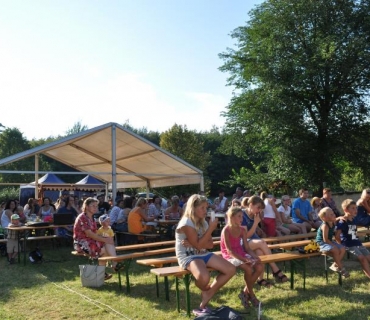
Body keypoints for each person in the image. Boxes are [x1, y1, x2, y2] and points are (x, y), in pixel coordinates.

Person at [175, 194, 236, 316]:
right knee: (204, 277)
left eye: (206, 207)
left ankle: (208, 292)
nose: (205, 211)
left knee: (231, 269)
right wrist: (209, 232)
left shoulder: (203, 222)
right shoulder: (187, 222)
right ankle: (204, 289)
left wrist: (196, 242)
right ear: (193, 208)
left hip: (203, 253)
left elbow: (210, 245)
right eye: (202, 208)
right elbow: (199, 245)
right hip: (188, 256)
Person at [221, 206, 263, 310]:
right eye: (239, 216)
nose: (241, 219)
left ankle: (245, 293)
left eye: (242, 216)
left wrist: (255, 257)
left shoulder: (242, 230)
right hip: (229, 255)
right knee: (248, 269)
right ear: (232, 217)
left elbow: (247, 248)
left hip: (240, 252)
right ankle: (252, 295)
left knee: (260, 266)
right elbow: (229, 251)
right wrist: (245, 260)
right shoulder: (226, 230)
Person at [241, 195, 289, 286]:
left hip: (253, 241)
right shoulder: (242, 215)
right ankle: (275, 269)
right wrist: (256, 223)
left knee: (260, 252)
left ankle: (260, 279)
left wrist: (258, 225)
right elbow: (245, 235)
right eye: (258, 207)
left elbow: (255, 232)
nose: (259, 210)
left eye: (260, 209)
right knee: (262, 242)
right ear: (250, 204)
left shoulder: (255, 214)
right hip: (242, 242)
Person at [73, 197, 118, 280]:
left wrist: (105, 238)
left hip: (91, 240)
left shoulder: (91, 217)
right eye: (93, 206)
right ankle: (114, 264)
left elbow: (95, 233)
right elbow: (90, 234)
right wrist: (105, 239)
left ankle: (107, 269)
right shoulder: (82, 217)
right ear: (86, 206)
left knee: (107, 243)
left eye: (96, 206)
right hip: (81, 243)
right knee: (105, 249)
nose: (95, 208)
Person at [335, 199, 370, 279]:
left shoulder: (354, 219)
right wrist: (341, 246)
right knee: (362, 258)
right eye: (353, 208)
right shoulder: (342, 221)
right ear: (346, 210)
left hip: (357, 243)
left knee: (368, 257)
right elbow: (337, 236)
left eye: (356, 208)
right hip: (348, 244)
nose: (356, 210)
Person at [316, 207, 349, 278]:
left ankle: (334, 265)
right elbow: (325, 239)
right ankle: (341, 268)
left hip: (329, 241)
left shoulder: (332, 221)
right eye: (331, 214)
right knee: (336, 250)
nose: (334, 215)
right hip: (322, 243)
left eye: (333, 213)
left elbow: (336, 219)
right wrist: (334, 246)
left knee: (343, 248)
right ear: (325, 218)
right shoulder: (325, 226)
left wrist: (340, 217)